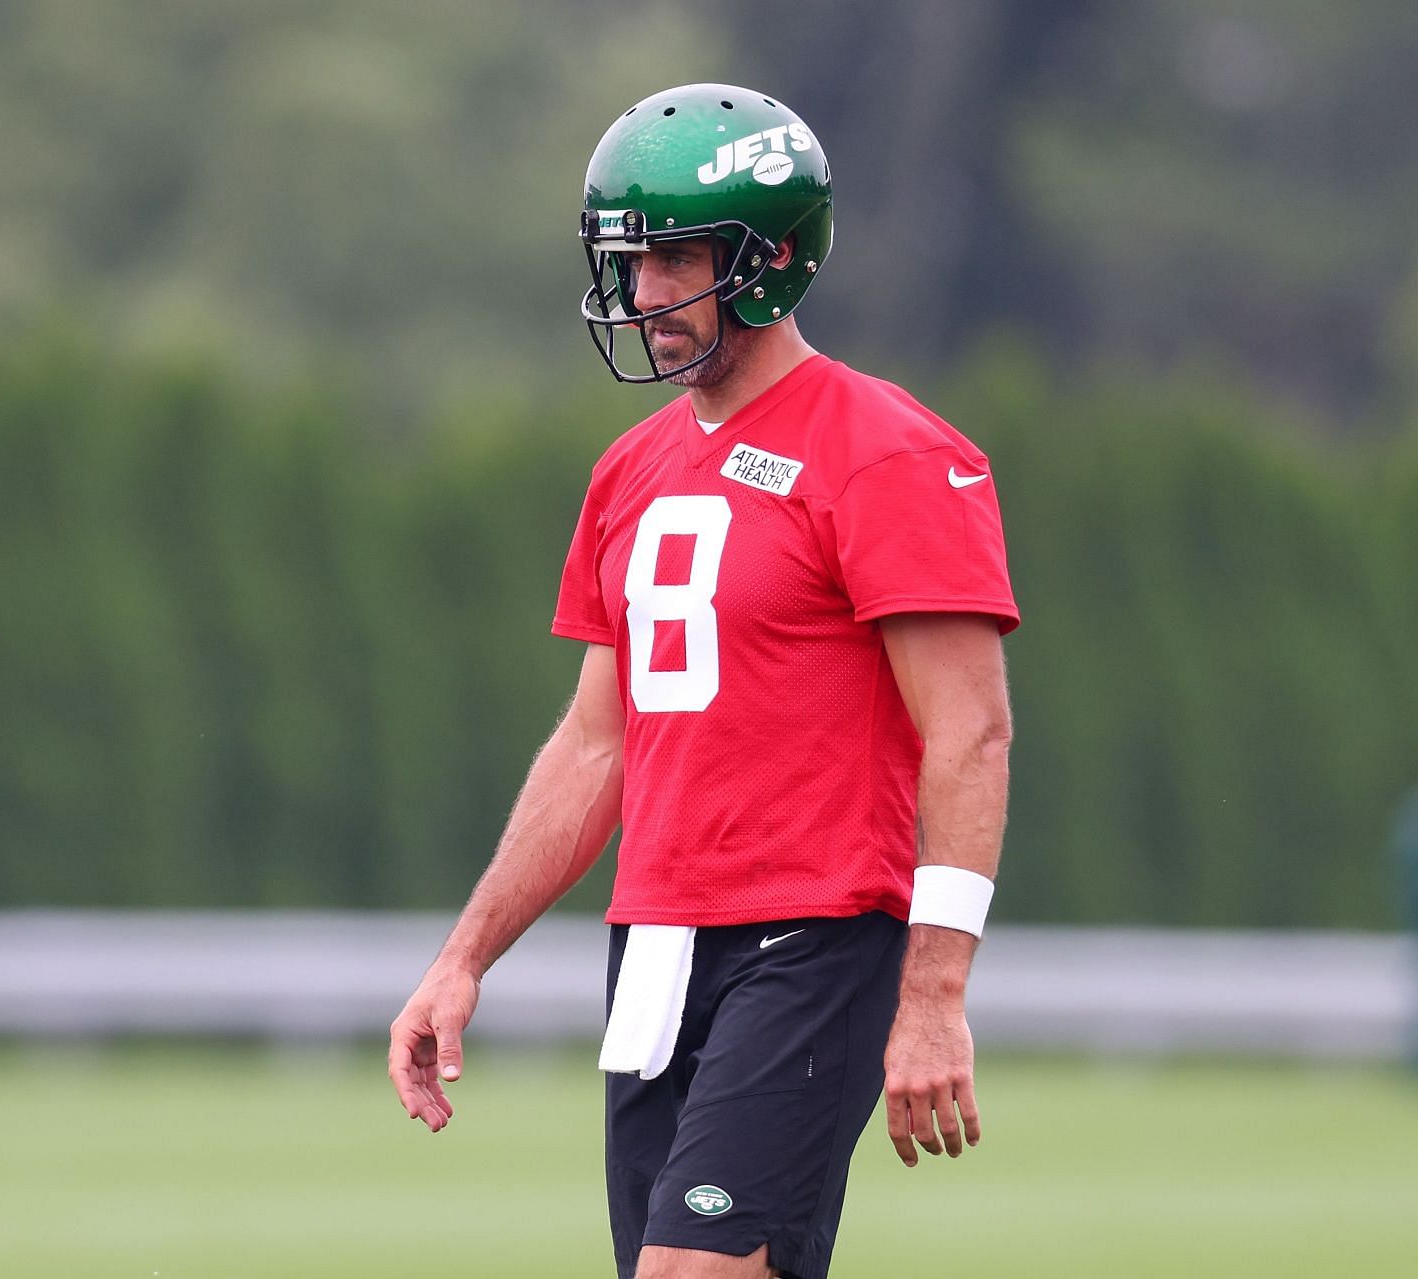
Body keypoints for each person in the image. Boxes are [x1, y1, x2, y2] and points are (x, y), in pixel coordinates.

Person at [388, 82, 1019, 1279]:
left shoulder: (888, 451)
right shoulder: (630, 470)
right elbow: (594, 744)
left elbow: (971, 735)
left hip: (816, 932)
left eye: (672, 260)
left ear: (771, 259)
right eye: (627, 263)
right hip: (659, 942)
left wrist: (935, 990)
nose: (641, 298)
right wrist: (464, 957)